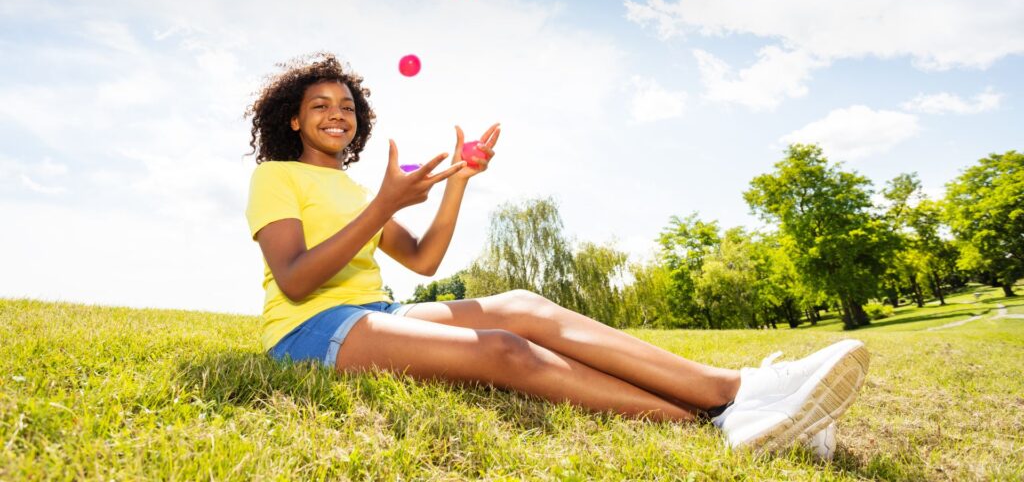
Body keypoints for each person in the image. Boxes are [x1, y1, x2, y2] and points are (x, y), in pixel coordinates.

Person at [244, 52, 868, 456]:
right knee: (504, 351)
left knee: (522, 307)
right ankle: (710, 418)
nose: (337, 114)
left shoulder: (353, 188)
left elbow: (425, 261)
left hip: (378, 309)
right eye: (320, 106)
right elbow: (297, 281)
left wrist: (458, 180)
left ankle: (739, 392)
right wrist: (383, 205)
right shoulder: (277, 177)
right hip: (308, 331)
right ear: (294, 121)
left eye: (347, 106)